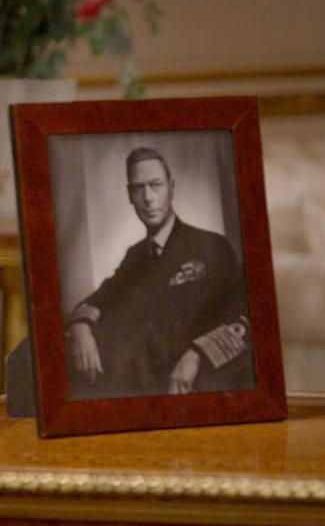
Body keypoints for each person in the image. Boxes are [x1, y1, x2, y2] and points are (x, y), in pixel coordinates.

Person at [66, 147, 254, 399]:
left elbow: (241, 317)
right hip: (144, 389)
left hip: (201, 385)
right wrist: (81, 327)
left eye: (156, 185)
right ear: (130, 195)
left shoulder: (211, 245)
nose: (148, 198)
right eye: (138, 188)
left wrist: (196, 356)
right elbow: (100, 298)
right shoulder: (135, 256)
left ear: (171, 188)